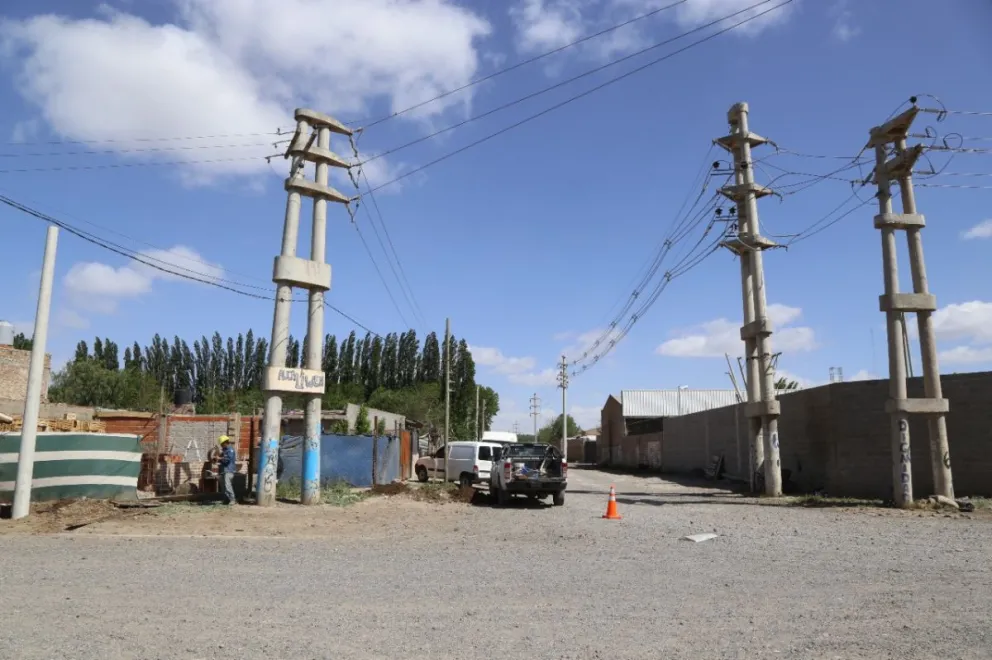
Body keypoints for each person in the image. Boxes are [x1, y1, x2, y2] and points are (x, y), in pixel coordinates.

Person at [218, 435, 237, 505]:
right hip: (224, 470)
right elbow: (222, 460)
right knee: (224, 486)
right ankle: (226, 500)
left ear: (225, 442)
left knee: (227, 485)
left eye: (222, 444)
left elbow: (227, 460)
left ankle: (233, 499)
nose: (221, 446)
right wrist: (218, 458)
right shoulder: (224, 451)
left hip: (229, 470)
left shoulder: (230, 450)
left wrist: (220, 458)